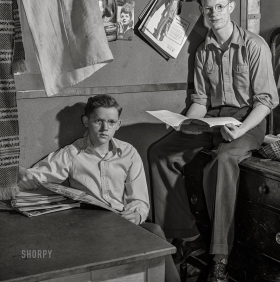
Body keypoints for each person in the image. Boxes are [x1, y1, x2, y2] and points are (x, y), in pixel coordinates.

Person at [149, 0, 278, 282]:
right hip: (212, 120)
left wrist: (242, 128)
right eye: (208, 8)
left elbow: (266, 101)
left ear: (231, 7)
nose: (214, 13)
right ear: (202, 10)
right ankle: (183, 234)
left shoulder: (254, 45)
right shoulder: (202, 50)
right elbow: (200, 101)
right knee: (160, 152)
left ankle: (220, 257)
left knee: (222, 161)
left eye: (220, 6)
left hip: (248, 122)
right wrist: (187, 123)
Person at [18, 94, 180, 282]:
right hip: (89, 227)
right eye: (99, 121)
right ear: (86, 121)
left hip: (123, 221)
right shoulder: (72, 154)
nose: (105, 128)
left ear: (118, 124)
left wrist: (135, 215)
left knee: (155, 232)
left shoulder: (128, 153)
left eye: (111, 122)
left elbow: (139, 198)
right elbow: (37, 175)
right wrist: (18, 173)